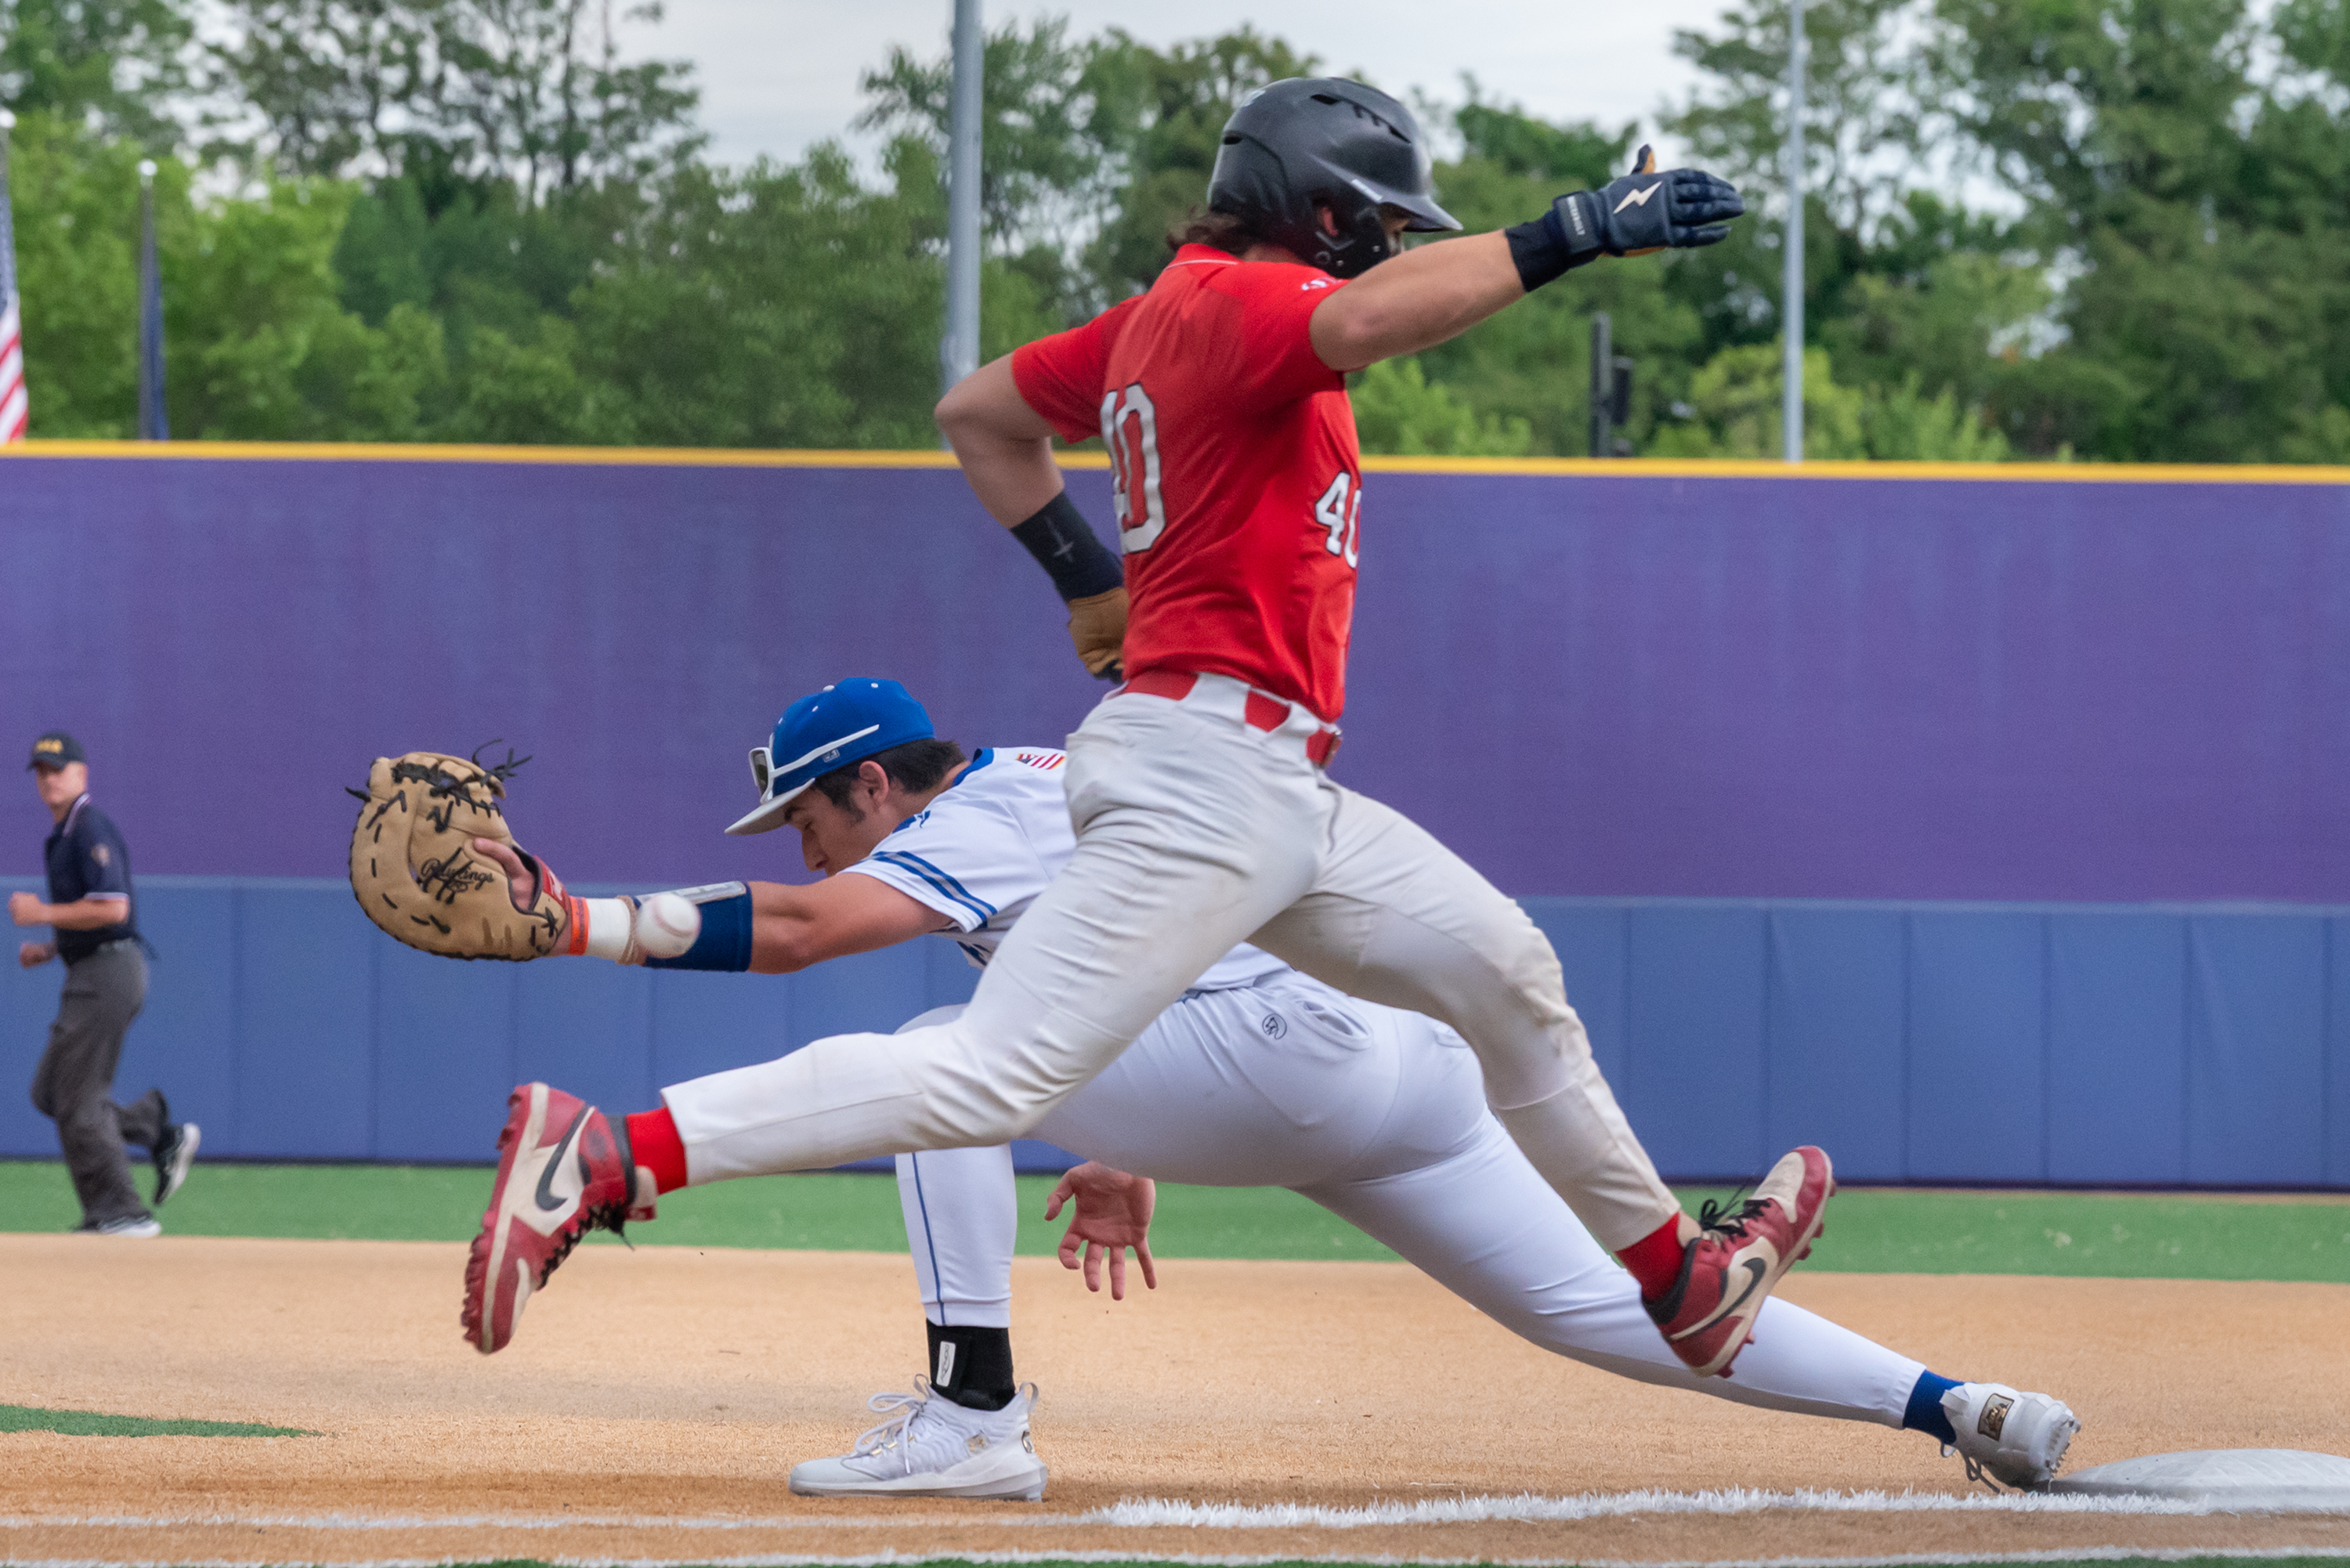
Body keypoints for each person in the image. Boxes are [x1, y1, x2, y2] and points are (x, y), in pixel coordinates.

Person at [470, 81, 1825, 1383]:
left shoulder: (1155, 322)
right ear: (1313, 203)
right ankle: (609, 1152)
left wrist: (1084, 580)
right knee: (990, 1072)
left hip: (1268, 780)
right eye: (1374, 220)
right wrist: (1578, 230)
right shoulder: (1239, 299)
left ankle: (1677, 1281)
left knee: (1506, 973)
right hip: (1206, 771)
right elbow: (1365, 325)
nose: (1383, 244)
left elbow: (977, 413)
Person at [457, 681, 2081, 1500]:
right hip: (1380, 1071)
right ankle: (1964, 1407)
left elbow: (812, 931)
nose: (802, 842)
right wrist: (1114, 1122)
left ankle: (911, 1372)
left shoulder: (970, 815)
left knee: (937, 1076)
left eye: (809, 809)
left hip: (1275, 1062)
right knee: (1618, 1310)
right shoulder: (1053, 793)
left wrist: (576, 924)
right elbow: (1106, 968)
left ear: (874, 776)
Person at [12, 732, 198, 1236]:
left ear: (81, 774)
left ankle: (120, 1210)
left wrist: (41, 914)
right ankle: (153, 1129)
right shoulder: (64, 835)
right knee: (51, 1090)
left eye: (59, 768)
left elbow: (113, 907)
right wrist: (51, 947)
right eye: (42, 771)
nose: (49, 779)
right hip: (95, 968)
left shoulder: (88, 826)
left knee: (77, 1096)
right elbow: (101, 916)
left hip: (107, 974)